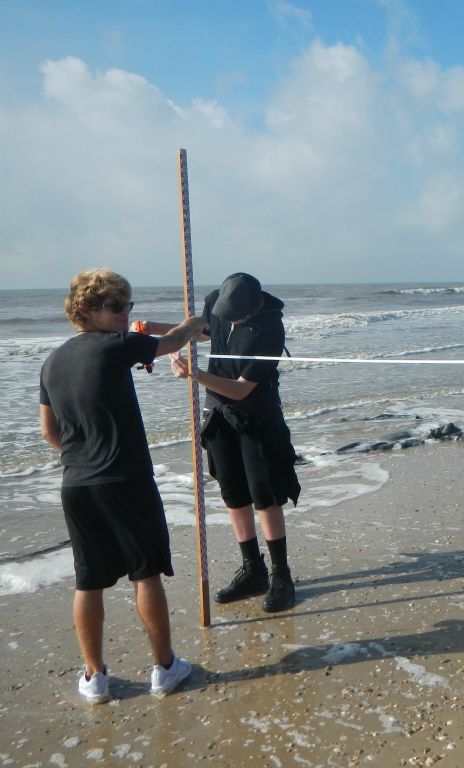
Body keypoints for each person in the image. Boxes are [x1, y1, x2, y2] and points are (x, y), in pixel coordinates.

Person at [39, 268, 206, 703]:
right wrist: (192, 322)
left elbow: (50, 432)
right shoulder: (119, 345)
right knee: (145, 572)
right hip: (126, 477)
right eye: (115, 306)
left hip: (77, 482)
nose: (124, 314)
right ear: (85, 311)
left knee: (88, 579)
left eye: (127, 305)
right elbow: (173, 342)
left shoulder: (51, 361)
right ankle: (165, 668)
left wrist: (82, 454)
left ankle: (95, 678)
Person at [151, 272, 300, 612]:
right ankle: (253, 569)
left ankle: (281, 575)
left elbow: (242, 389)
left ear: (255, 305)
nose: (228, 319)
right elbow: (201, 330)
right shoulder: (217, 304)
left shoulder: (269, 330)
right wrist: (152, 329)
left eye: (235, 317)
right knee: (232, 492)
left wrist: (194, 375)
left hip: (256, 416)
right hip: (218, 413)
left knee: (264, 494)